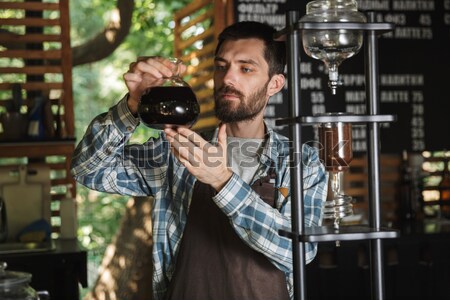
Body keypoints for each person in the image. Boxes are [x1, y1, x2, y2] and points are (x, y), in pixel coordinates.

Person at [71, 21, 328, 300]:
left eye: (246, 68)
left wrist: (222, 181)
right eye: (221, 66)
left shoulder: (301, 162)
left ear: (274, 84)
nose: (228, 78)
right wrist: (131, 105)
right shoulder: (177, 151)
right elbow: (88, 170)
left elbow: (298, 253)